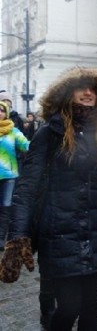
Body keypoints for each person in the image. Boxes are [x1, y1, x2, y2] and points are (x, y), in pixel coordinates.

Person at [0, 67, 97, 330]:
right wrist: (17, 237)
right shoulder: (49, 133)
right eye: (81, 87)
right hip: (60, 235)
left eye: (94, 88)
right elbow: (27, 187)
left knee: (91, 309)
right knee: (68, 307)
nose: (88, 92)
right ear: (67, 93)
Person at [0, 101, 30, 250]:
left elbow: (26, 145)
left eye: (1, 110)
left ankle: (0, 239)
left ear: (6, 113)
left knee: (5, 206)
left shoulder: (13, 131)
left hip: (8, 176)